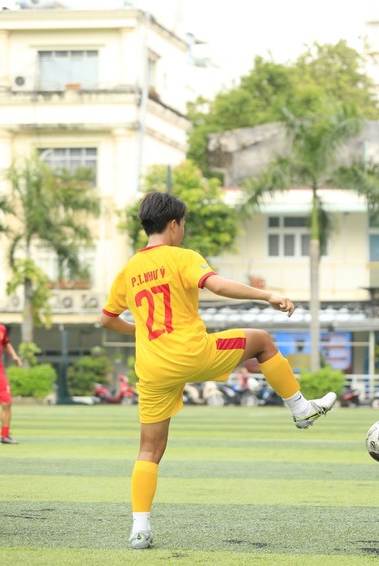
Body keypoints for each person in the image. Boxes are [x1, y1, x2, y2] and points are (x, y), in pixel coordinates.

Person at [99, 192, 336, 550]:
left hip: (153, 369)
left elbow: (106, 319)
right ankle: (301, 408)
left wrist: (142, 331)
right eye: (183, 224)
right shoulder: (182, 256)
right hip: (193, 354)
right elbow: (217, 284)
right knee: (262, 340)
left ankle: (139, 529)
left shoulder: (129, 269)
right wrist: (268, 296)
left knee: (148, 450)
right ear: (174, 224)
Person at [0, 301, 23, 444]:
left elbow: (6, 343)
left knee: (7, 403)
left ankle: (4, 436)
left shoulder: (1, 329)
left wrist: (14, 356)